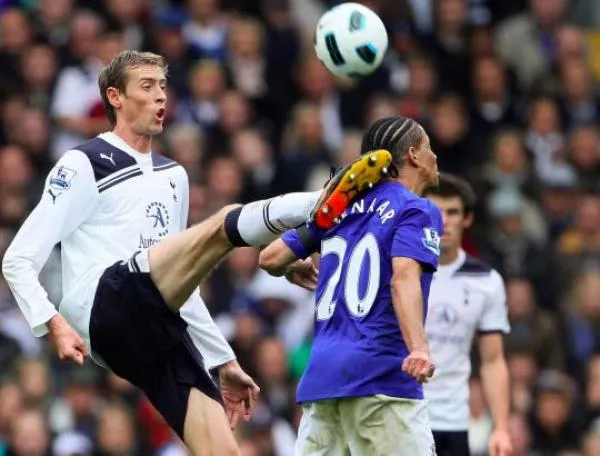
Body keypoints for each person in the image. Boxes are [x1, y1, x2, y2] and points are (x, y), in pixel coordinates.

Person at [1, 50, 392, 456]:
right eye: (148, 87)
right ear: (114, 97)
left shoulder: (174, 175)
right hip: (103, 304)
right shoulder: (85, 162)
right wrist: (52, 322)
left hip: (154, 321)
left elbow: (181, 282)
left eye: (164, 87)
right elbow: (18, 257)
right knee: (220, 225)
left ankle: (314, 213)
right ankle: (321, 201)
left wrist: (223, 360)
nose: (160, 98)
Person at [259, 116, 442, 456]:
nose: (435, 157)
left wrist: (291, 267)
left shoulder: (337, 210)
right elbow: (402, 278)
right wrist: (419, 347)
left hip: (322, 382)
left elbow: (269, 258)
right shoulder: (417, 209)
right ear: (414, 155)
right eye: (430, 147)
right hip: (381, 378)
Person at [422, 173, 512, 456]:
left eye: (453, 212)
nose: (444, 221)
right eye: (436, 212)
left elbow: (493, 360)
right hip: (400, 413)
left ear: (467, 219)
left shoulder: (487, 281)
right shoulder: (399, 272)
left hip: (453, 419)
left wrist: (500, 427)